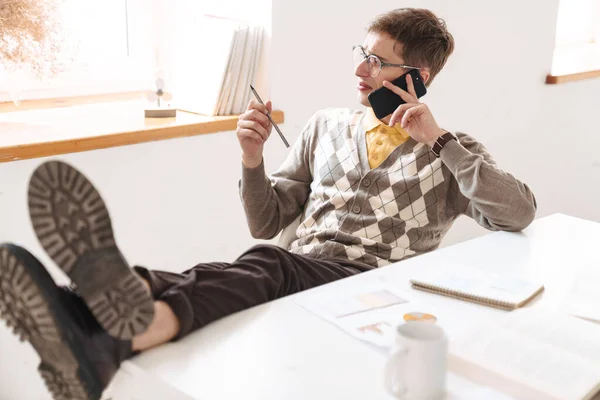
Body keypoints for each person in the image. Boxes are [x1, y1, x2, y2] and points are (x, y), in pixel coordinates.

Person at [0, 8, 536, 400]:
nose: (360, 71)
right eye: (361, 55)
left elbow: (518, 213)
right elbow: (267, 220)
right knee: (231, 269)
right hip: (299, 265)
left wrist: (439, 141)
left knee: (267, 264)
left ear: (417, 77)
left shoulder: (450, 150)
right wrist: (252, 158)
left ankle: (125, 334)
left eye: (376, 62)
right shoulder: (326, 125)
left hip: (369, 285)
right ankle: (86, 309)